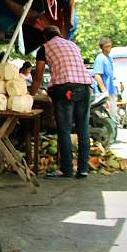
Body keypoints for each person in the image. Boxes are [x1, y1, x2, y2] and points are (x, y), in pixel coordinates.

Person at [30, 26, 94, 178]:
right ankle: (83, 169)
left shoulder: (44, 48)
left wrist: (30, 94)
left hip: (65, 88)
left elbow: (38, 77)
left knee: (64, 130)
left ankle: (67, 169)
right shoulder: (72, 44)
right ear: (59, 34)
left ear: (45, 38)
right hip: (85, 87)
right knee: (83, 129)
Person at [93, 37, 117, 119]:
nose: (108, 49)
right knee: (106, 116)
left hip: (111, 90)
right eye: (106, 47)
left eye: (110, 46)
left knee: (113, 114)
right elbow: (97, 75)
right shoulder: (100, 58)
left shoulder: (109, 58)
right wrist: (104, 90)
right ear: (102, 48)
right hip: (103, 93)